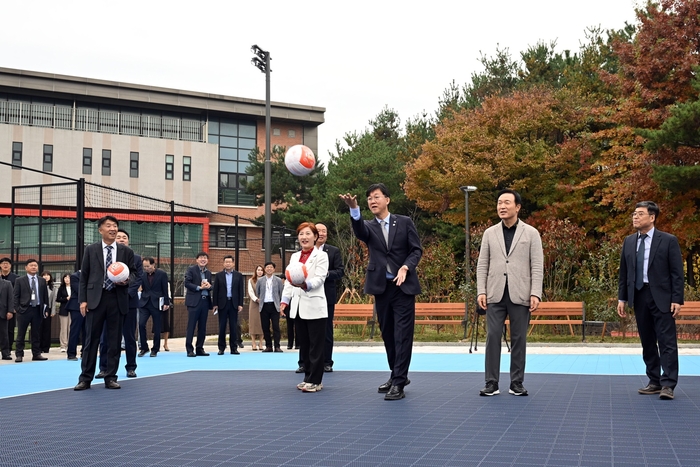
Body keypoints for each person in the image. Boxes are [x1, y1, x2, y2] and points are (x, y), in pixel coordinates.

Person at [340, 183, 423, 401]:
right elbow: (359, 231)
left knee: (402, 335)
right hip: (381, 288)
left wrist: (406, 266)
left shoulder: (404, 222)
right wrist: (353, 208)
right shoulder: (368, 226)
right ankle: (397, 374)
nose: (372, 201)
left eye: (376, 197)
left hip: (403, 287)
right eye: (369, 198)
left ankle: (398, 382)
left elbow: (416, 249)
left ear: (387, 199)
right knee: (387, 334)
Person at [477, 189, 543, 397]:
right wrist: (481, 291)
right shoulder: (489, 233)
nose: (502, 206)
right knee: (493, 336)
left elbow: (537, 265)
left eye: (506, 202)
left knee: (519, 338)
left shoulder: (531, 233)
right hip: (494, 293)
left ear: (518, 207)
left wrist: (535, 293)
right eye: (499, 203)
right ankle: (491, 382)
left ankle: (517, 382)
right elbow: (482, 264)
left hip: (521, 293)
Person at [617, 201, 684, 400]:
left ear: (652, 217)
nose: (635, 217)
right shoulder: (629, 241)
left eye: (639, 214)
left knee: (667, 342)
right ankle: (654, 381)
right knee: (647, 341)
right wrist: (622, 298)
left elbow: (677, 273)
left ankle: (668, 384)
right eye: (634, 214)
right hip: (639, 296)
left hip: (663, 298)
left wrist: (677, 299)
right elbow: (624, 273)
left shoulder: (668, 240)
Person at [74, 215, 136, 391]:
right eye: (109, 226)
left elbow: (134, 273)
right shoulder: (91, 250)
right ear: (100, 230)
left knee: (114, 341)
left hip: (117, 299)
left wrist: (126, 280)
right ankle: (85, 378)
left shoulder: (126, 252)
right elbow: (84, 276)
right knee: (91, 340)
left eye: (115, 226)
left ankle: (110, 377)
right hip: (95, 299)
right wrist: (83, 300)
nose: (113, 229)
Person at [281, 222, 329, 393]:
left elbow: (320, 278)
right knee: (305, 345)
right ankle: (307, 376)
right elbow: (288, 280)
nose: (304, 237)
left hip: (315, 306)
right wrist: (284, 300)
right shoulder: (294, 257)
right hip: (298, 307)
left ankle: (316, 380)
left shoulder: (321, 256)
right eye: (301, 234)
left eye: (308, 234)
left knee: (316, 345)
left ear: (315, 237)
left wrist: (305, 285)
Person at [98, 229, 142, 378]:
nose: (121, 239)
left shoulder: (135, 258)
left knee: (129, 337)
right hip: (108, 303)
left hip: (128, 303)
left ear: (128, 241)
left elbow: (137, 278)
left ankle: (131, 367)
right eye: (119, 237)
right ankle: (103, 368)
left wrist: (125, 293)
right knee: (105, 337)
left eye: (124, 237)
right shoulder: (106, 257)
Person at [316, 222, 345, 373]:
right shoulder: (305, 251)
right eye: (318, 231)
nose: (321, 234)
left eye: (324, 231)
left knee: (326, 330)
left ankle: (327, 361)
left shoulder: (333, 251)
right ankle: (304, 362)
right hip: (308, 296)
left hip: (326, 296)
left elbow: (340, 271)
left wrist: (326, 274)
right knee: (307, 331)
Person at [13, 259, 50, 362]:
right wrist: (18, 309)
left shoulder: (41, 280)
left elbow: (44, 296)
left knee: (36, 333)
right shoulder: (19, 280)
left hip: (38, 309)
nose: (34, 267)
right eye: (31, 265)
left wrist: (46, 308)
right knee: (21, 333)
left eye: (35, 265)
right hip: (24, 309)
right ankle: (19, 354)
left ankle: (36, 354)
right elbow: (15, 296)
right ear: (26, 267)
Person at [212, 255, 244, 355]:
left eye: (230, 262)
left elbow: (241, 291)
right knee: (222, 326)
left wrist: (240, 304)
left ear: (233, 263)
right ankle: (221, 348)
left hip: (234, 304)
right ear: (223, 263)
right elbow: (215, 291)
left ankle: (233, 348)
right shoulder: (219, 275)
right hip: (222, 304)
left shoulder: (239, 275)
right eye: (226, 262)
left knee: (233, 326)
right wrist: (215, 304)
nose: (228, 263)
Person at [138, 257, 170, 357]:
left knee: (157, 327)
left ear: (153, 265)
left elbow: (165, 289)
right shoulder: (142, 275)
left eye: (148, 266)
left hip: (157, 303)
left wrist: (166, 302)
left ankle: (155, 349)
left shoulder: (162, 274)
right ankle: (144, 347)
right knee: (141, 324)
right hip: (144, 303)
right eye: (144, 267)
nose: (146, 268)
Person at [184, 252, 213, 357]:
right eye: (201, 258)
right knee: (191, 326)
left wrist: (209, 286)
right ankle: (189, 349)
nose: (203, 260)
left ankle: (200, 348)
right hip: (194, 302)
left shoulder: (208, 273)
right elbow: (187, 283)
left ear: (207, 260)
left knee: (202, 327)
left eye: (205, 258)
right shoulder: (191, 270)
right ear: (197, 260)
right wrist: (199, 288)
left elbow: (210, 287)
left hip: (205, 302)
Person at [255, 261, 284, 353]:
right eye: (267, 267)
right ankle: (268, 346)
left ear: (274, 269)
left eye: (271, 267)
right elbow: (258, 292)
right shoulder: (260, 280)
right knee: (265, 327)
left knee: (276, 326)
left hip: (274, 305)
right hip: (264, 306)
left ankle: (277, 346)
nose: (269, 269)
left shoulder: (278, 280)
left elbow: (281, 292)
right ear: (265, 269)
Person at [0, 257, 18, 352]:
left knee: (9, 329)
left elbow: (16, 294)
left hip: (11, 307)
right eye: (3, 263)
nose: (5, 265)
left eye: (7, 263)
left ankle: (9, 348)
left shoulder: (16, 278)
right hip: (1, 307)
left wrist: (14, 307)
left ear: (10, 265)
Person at [66, 270, 84, 361]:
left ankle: (85, 352)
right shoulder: (75, 276)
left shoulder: (93, 274)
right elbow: (79, 290)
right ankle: (71, 353)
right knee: (75, 330)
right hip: (76, 306)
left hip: (90, 306)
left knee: (87, 330)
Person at [247, 265, 264, 351]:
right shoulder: (251, 281)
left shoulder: (265, 280)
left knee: (262, 323)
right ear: (255, 271)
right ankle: (253, 343)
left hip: (264, 304)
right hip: (254, 304)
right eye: (258, 270)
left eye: (261, 270)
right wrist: (256, 299)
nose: (260, 271)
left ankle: (261, 343)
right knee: (253, 323)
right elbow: (250, 292)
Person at [39, 271, 56, 353]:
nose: (46, 277)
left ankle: (45, 347)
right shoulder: (38, 285)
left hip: (48, 309)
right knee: (38, 328)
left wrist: (52, 311)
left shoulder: (53, 288)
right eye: (44, 275)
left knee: (47, 329)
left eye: (47, 275)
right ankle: (38, 346)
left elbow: (53, 301)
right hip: (39, 309)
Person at [55, 273, 71, 352]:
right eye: (65, 278)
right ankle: (63, 345)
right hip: (64, 310)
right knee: (64, 328)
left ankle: (70, 344)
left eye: (68, 278)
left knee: (71, 328)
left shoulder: (74, 287)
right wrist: (66, 298)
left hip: (73, 310)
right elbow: (58, 299)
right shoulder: (61, 288)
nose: (67, 279)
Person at [0, 277, 13, 360]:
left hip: (3, 313)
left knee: (4, 334)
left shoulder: (7, 283)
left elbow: (11, 298)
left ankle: (5, 353)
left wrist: (10, 311)